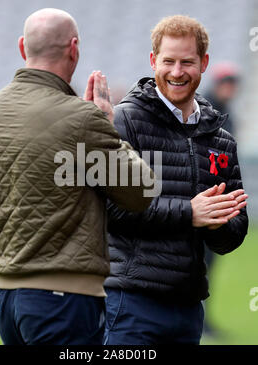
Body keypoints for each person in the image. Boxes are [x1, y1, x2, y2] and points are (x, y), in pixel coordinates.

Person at [0, 8, 154, 345]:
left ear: (23, 47)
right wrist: (107, 125)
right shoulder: (82, 118)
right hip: (64, 298)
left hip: (6, 297)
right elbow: (139, 191)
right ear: (74, 48)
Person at [103, 15, 248, 345]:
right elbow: (112, 210)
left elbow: (233, 233)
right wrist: (190, 213)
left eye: (187, 62)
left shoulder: (220, 138)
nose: (177, 71)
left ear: (204, 63)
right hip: (131, 304)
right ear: (154, 61)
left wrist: (219, 223)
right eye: (168, 61)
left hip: (188, 309)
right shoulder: (126, 121)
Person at [203, 61, 240, 336]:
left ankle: (202, 319)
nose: (229, 87)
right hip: (204, 198)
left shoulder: (227, 114)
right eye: (225, 81)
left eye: (233, 82)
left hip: (219, 201)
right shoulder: (206, 112)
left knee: (208, 263)